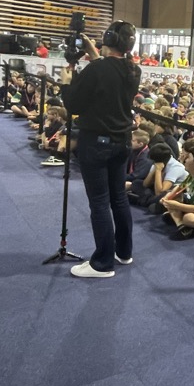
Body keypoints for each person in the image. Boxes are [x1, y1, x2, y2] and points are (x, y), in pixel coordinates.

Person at [59, 20, 142, 278]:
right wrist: (93, 51)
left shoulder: (97, 70)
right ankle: (123, 253)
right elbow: (108, 72)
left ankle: (103, 263)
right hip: (122, 142)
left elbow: (74, 105)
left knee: (99, 202)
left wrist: (66, 81)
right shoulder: (133, 69)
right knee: (118, 198)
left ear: (108, 39)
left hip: (96, 144)